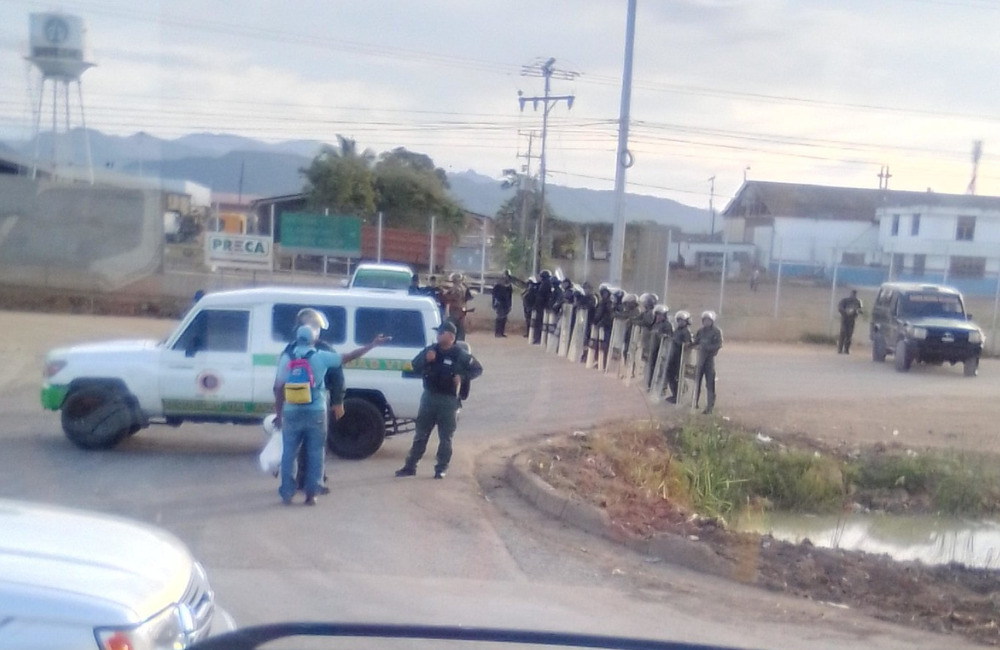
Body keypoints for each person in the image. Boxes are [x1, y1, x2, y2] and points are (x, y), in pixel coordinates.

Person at [283, 308, 388, 495]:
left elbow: (280, 383)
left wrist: (338, 401)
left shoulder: (290, 350)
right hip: (317, 404)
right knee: (315, 446)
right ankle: (312, 483)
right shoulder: (323, 350)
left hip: (294, 405)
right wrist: (338, 401)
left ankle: (297, 484)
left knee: (296, 447)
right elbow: (340, 370)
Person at [395, 322, 483, 479]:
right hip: (429, 397)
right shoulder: (431, 350)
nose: (438, 335)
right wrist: (426, 360)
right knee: (421, 434)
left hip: (448, 400)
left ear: (450, 336)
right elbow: (414, 366)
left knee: (445, 437)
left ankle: (440, 468)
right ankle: (410, 466)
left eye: (441, 332)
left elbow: (477, 369)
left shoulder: (459, 355)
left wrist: (462, 378)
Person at [273, 324, 343, 506]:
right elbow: (347, 358)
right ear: (314, 339)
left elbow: (278, 387)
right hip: (316, 412)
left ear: (296, 338)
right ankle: (311, 494)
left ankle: (287, 493)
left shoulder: (286, 357)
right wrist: (371, 346)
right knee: (316, 452)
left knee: (289, 453)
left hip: (291, 411)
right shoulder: (320, 357)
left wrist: (279, 414)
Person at [692, 311, 724, 415]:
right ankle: (694, 402)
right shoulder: (700, 331)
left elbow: (719, 344)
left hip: (709, 361)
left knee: (710, 384)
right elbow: (696, 341)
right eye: (705, 320)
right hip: (700, 360)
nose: (706, 322)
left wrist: (707, 348)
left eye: (709, 320)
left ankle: (709, 407)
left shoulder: (716, 331)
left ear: (712, 321)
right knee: (697, 382)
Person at [666, 310, 693, 403]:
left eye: (682, 320)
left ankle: (678, 395)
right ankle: (675, 393)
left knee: (676, 376)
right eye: (679, 320)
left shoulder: (686, 331)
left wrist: (676, 342)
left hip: (680, 357)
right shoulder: (677, 330)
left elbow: (687, 344)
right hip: (673, 355)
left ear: (686, 321)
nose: (680, 322)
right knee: (670, 375)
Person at [837, 289, 863, 354]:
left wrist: (857, 311)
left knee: (849, 335)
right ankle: (840, 349)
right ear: (850, 294)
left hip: (852, 320)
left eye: (855, 294)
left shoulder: (857, 302)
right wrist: (846, 312)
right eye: (853, 294)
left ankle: (846, 349)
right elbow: (840, 308)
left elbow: (860, 310)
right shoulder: (845, 300)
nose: (854, 295)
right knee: (843, 333)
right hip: (845, 319)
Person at [532, 270, 552, 344]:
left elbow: (544, 296)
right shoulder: (544, 284)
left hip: (541, 306)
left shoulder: (545, 284)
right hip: (540, 306)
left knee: (539, 323)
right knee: (538, 323)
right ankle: (537, 338)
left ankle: (538, 339)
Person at [492, 270, 514, 337]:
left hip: (506, 304)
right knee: (499, 318)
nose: (507, 278)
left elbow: (510, 296)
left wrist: (510, 305)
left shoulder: (509, 286)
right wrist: (495, 303)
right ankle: (497, 332)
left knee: (504, 319)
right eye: (506, 276)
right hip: (499, 303)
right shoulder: (498, 285)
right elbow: (494, 295)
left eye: (508, 276)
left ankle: (501, 332)